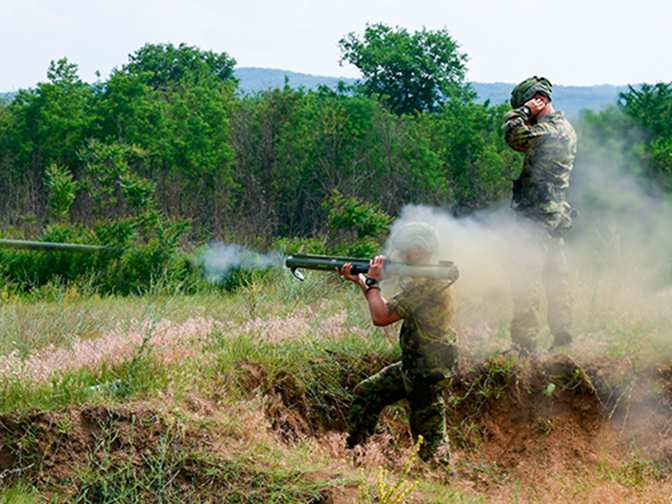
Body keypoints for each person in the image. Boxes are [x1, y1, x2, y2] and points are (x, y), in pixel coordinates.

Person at [336, 222, 457, 465]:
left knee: (430, 443)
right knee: (367, 393)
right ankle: (357, 459)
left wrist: (373, 281)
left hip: (427, 370)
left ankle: (443, 488)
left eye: (402, 251)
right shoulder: (425, 276)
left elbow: (380, 317)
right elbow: (385, 307)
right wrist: (362, 280)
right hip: (414, 365)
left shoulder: (427, 281)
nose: (398, 255)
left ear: (415, 252)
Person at [502, 76, 578, 354]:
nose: (528, 116)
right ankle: (563, 341)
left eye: (529, 105)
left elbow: (513, 135)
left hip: (539, 215)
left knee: (526, 274)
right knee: (555, 276)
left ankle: (525, 345)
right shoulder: (560, 128)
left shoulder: (554, 130)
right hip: (552, 214)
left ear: (540, 101)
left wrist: (523, 112)